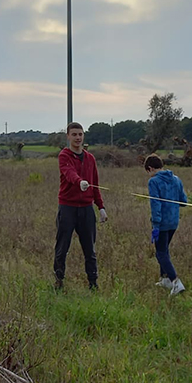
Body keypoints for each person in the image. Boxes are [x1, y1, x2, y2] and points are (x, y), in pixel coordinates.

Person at [54, 122, 107, 290]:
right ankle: (59, 281)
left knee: (90, 249)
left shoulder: (90, 158)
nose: (78, 137)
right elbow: (69, 173)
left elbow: (95, 184)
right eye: (74, 134)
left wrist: (101, 207)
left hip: (86, 209)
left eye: (80, 134)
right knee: (62, 247)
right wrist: (79, 182)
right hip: (67, 207)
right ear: (68, 136)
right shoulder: (64, 155)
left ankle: (93, 283)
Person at [144, 154, 187, 295]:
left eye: (148, 172)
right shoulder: (176, 179)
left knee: (160, 253)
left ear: (150, 168)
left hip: (162, 223)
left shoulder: (153, 182)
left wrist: (156, 225)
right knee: (164, 249)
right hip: (174, 222)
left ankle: (176, 282)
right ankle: (165, 279)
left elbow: (155, 204)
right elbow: (184, 201)